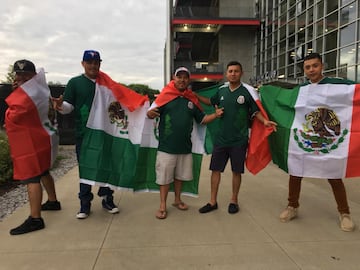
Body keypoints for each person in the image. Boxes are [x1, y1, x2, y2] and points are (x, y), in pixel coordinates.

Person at [279, 52, 355, 232]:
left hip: (331, 141)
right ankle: (292, 206)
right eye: (307, 67)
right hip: (305, 141)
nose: (311, 70)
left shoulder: (338, 85)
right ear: (304, 70)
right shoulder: (301, 89)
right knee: (295, 172)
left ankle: (344, 213)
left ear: (322, 66)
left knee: (334, 175)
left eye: (315, 66)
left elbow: (355, 95)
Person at [197, 61, 277, 214]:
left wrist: (265, 121)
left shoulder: (247, 92)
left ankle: (234, 200)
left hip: (239, 141)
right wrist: (196, 96)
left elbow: (255, 112)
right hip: (221, 140)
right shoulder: (221, 91)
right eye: (230, 71)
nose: (233, 73)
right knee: (215, 170)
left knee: (236, 171)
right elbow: (210, 101)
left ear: (241, 73)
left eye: (236, 71)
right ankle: (212, 201)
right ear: (226, 74)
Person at [147, 67, 224, 219]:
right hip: (166, 147)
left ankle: (177, 200)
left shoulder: (191, 99)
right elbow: (151, 112)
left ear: (188, 80)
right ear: (173, 79)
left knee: (180, 177)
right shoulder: (165, 96)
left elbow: (202, 120)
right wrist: (150, 113)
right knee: (164, 178)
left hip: (185, 147)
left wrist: (215, 115)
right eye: (179, 77)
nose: (182, 80)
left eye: (185, 77)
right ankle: (162, 205)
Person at [52, 50, 119, 219]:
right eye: (89, 62)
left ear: (100, 64)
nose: (93, 65)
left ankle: (107, 198)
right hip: (84, 133)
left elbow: (118, 105)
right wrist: (60, 106)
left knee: (105, 166)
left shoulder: (107, 83)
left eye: (96, 62)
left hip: (104, 134)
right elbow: (69, 106)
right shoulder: (75, 83)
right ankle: (84, 203)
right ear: (83, 64)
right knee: (86, 167)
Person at [5, 59, 61, 235]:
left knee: (32, 177)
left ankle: (35, 219)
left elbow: (12, 117)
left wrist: (16, 95)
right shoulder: (41, 89)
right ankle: (52, 201)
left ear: (33, 75)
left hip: (32, 142)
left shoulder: (26, 97)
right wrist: (18, 92)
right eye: (18, 73)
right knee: (43, 171)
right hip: (44, 138)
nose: (21, 77)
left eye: (25, 74)